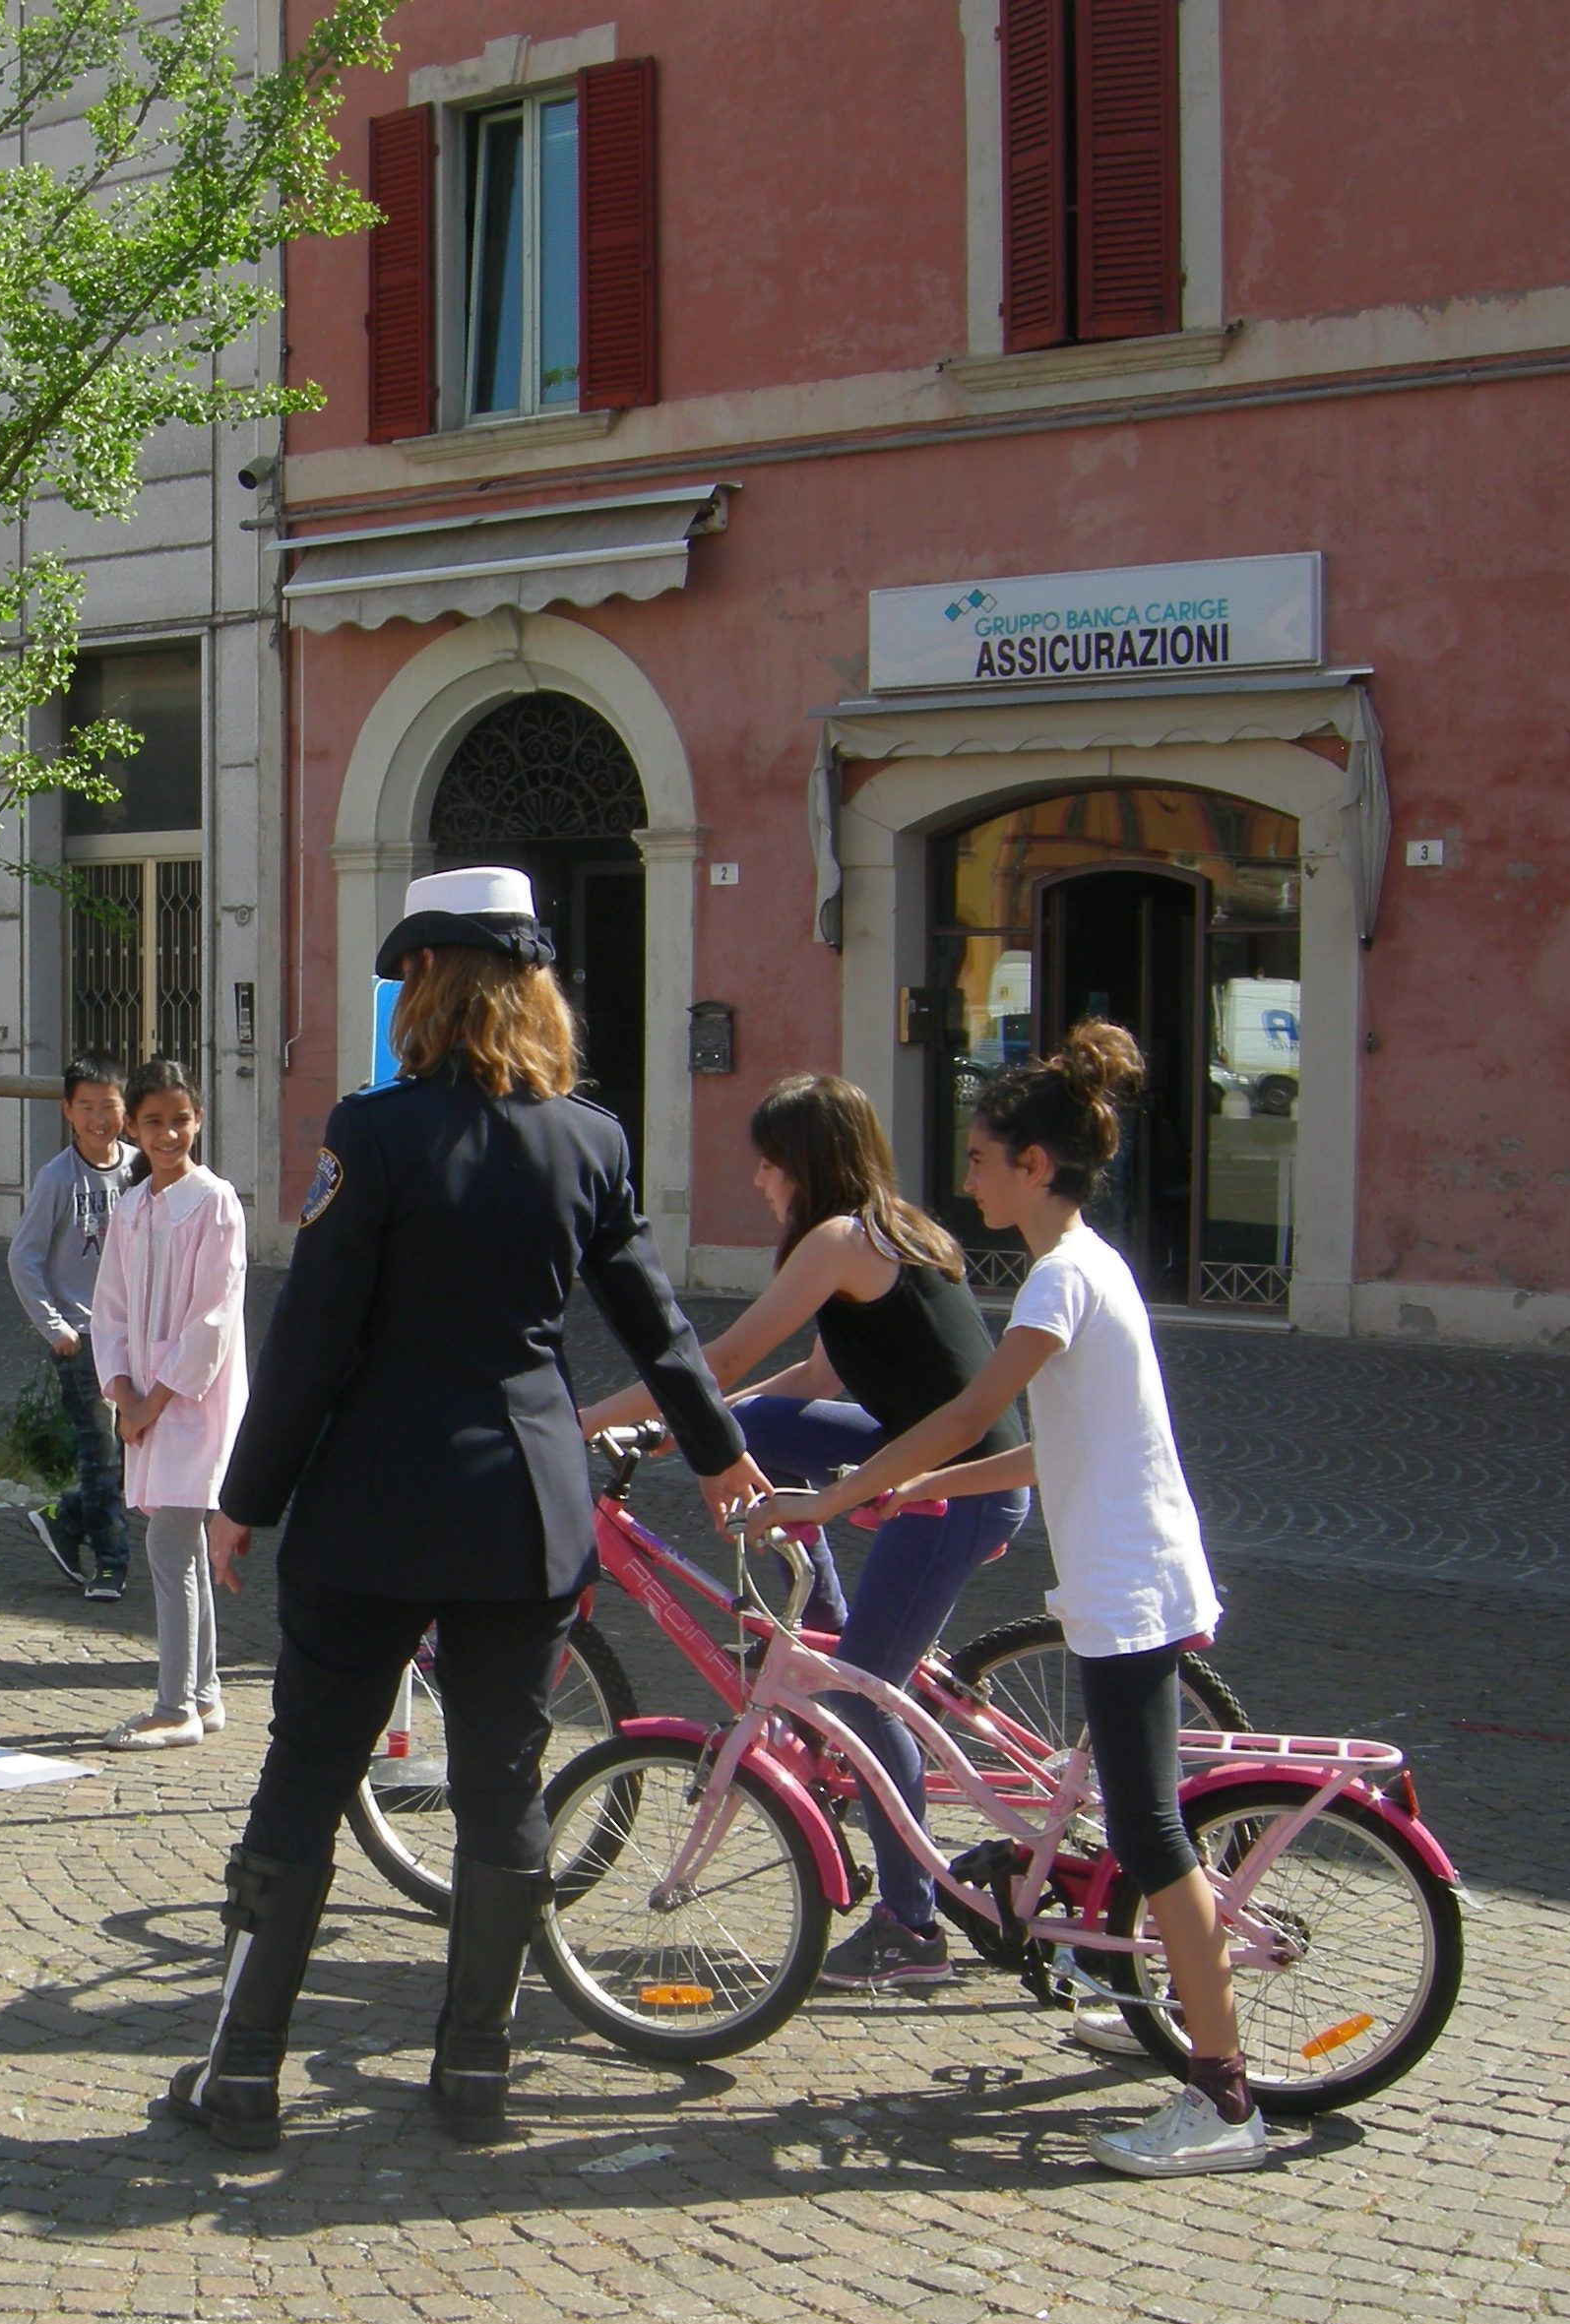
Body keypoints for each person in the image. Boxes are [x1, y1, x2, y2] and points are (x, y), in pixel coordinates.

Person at [165, 866, 770, 2151]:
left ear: (433, 979)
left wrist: (242, 1500)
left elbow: (316, 1335)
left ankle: (243, 2075)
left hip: (376, 1508)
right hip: (522, 1514)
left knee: (309, 1774)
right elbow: (658, 1324)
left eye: (404, 978)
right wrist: (720, 1455)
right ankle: (476, 2074)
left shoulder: (374, 1134)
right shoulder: (591, 1140)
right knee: (504, 1783)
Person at [774, 1023, 1267, 2179]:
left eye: (987, 1156)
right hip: (1123, 1576)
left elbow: (963, 1408)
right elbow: (1031, 1448)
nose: (971, 1176)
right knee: (1123, 1819)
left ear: (1035, 1165)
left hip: (1131, 1587)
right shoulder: (1087, 1267)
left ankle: (1224, 2094)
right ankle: (1120, 1981)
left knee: (1151, 1834)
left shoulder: (1059, 1277)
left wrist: (838, 1494)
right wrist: (933, 1490)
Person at [576, 1073, 1030, 1989]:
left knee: (865, 1698)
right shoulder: (890, 1228)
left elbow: (729, 1356)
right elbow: (803, 1384)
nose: (758, 1183)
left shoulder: (836, 1239)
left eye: (770, 1164)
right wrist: (689, 1431)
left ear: (806, 1164)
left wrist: (577, 1420)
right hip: (924, 1457)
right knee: (761, 1433)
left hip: (963, 1487)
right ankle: (813, 1622)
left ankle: (912, 1930)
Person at [86, 1060, 247, 1750]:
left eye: (180, 1119)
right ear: (132, 1127)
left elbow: (213, 1317)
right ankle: (203, 1694)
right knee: (176, 1539)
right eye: (153, 1121)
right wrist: (121, 1387)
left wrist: (154, 1401)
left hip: (193, 1401)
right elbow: (110, 1308)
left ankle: (173, 1704)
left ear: (199, 1121)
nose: (168, 1133)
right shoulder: (135, 1206)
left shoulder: (216, 1203)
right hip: (144, 1401)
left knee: (170, 1540)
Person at [7, 1056, 137, 1602]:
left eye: (109, 1106)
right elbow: (24, 1257)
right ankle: (111, 1562)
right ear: (67, 1111)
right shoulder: (57, 1178)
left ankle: (67, 1514)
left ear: (125, 1111)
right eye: (87, 1107)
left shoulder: (140, 1168)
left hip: (132, 1338)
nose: (99, 1119)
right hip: (81, 1339)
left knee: (136, 1450)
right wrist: (55, 1327)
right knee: (99, 1451)